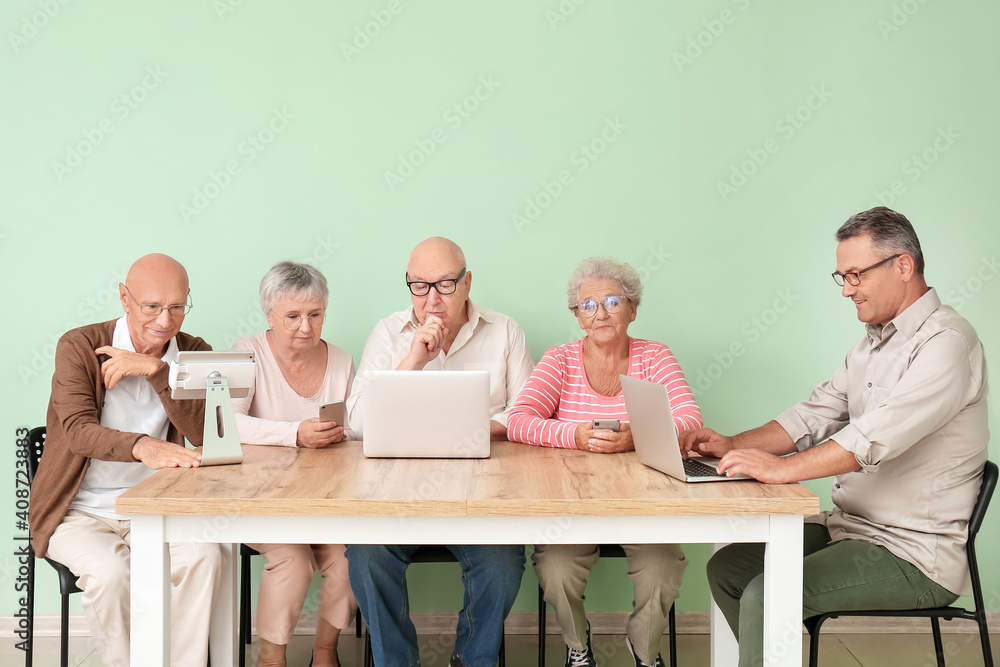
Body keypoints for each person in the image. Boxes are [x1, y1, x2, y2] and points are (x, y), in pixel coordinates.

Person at [679, 207, 989, 667]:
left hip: (913, 553)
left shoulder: (947, 344)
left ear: (903, 266)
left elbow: (871, 438)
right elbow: (813, 414)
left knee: (769, 593)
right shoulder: (871, 344)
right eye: (841, 276)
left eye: (856, 275)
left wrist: (782, 470)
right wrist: (733, 444)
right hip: (851, 529)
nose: (847, 290)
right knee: (729, 569)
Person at [28, 254, 228, 667]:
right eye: (151, 306)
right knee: (112, 574)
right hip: (78, 510)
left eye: (176, 306)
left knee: (206, 557)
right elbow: (78, 431)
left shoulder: (193, 352)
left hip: (155, 508)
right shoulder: (79, 345)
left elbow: (210, 436)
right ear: (124, 297)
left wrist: (158, 373)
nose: (165, 320)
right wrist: (143, 446)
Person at [344, 236, 535, 667]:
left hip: (482, 492)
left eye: (445, 285)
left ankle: (470, 659)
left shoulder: (504, 331)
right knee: (366, 555)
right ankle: (398, 663)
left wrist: (467, 430)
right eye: (420, 286)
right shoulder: (388, 333)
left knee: (503, 563)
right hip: (396, 492)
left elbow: (528, 414)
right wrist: (413, 360)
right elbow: (355, 424)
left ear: (468, 283)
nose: (432, 299)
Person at [507, 257, 702, 667]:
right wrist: (574, 435)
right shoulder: (560, 360)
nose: (601, 313)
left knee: (663, 567)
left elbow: (690, 420)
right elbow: (519, 421)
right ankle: (579, 647)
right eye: (588, 305)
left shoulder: (654, 356)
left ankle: (644, 650)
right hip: (570, 504)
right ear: (578, 316)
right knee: (556, 569)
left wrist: (637, 437)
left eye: (613, 301)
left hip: (643, 504)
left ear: (633, 309)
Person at [231, 261, 357, 667]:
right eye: (293, 316)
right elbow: (225, 424)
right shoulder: (246, 352)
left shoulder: (340, 360)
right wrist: (293, 434)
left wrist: (343, 434)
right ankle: (272, 656)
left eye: (315, 315)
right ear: (269, 315)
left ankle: (325, 652)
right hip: (260, 497)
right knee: (294, 559)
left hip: (326, 498)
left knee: (347, 557)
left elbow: (355, 428)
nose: (306, 326)